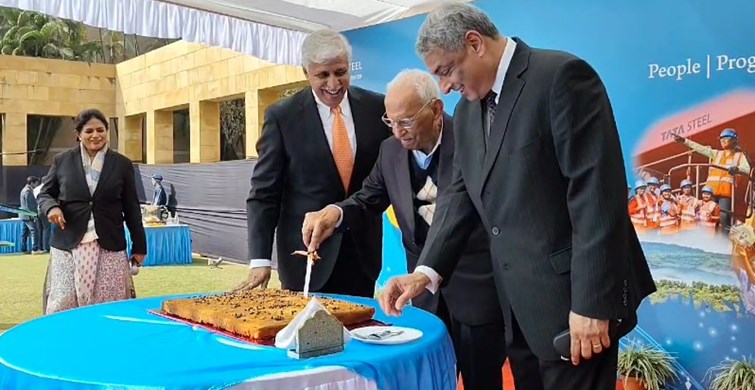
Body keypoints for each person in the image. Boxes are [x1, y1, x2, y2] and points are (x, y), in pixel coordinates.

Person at [377, 4, 656, 390]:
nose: (443, 86)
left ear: (474, 43)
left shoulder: (560, 78)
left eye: (446, 70)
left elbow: (597, 198)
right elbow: (459, 197)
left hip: (574, 311)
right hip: (518, 315)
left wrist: (592, 305)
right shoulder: (471, 112)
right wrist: (424, 274)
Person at [302, 69, 508, 389]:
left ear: (436, 110)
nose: (398, 132)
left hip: (477, 291)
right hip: (424, 299)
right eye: (391, 121)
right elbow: (367, 199)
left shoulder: (475, 141)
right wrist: (334, 213)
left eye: (407, 121)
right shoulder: (390, 152)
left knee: (483, 380)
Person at [239, 29, 391, 297]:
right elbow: (264, 194)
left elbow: (388, 176)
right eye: (323, 75)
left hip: (361, 258)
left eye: (340, 72)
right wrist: (260, 260)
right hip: (305, 261)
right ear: (305, 72)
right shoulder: (282, 117)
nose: (333, 84)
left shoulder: (377, 108)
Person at [37, 108, 147, 315]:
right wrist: (51, 207)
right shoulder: (63, 160)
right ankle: (66, 343)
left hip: (109, 242)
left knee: (110, 301)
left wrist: (140, 246)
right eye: (89, 131)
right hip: (68, 241)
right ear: (78, 134)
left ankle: (106, 342)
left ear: (107, 132)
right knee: (64, 301)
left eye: (100, 130)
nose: (95, 135)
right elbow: (44, 194)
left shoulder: (122, 164)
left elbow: (132, 207)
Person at [673, 128, 750, 232]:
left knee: (723, 217)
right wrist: (684, 141)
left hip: (725, 193)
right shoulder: (717, 154)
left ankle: (722, 241)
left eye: (726, 138)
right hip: (710, 193)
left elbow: (746, 169)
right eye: (721, 139)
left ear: (734, 140)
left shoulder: (740, 156)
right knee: (705, 216)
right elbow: (701, 149)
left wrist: (737, 169)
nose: (723, 141)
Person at [19, 176, 40, 254]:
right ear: (32, 183)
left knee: (24, 233)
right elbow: (30, 205)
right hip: (28, 216)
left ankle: (23, 249)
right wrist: (34, 215)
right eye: (36, 183)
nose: (37, 185)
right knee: (34, 231)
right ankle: (35, 249)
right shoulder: (28, 191)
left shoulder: (24, 190)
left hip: (24, 215)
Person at [33, 178, 52, 252]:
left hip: (37, 210)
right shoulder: (46, 188)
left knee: (40, 230)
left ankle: (40, 247)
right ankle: (46, 247)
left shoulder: (35, 189)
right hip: (44, 209)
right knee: (47, 228)